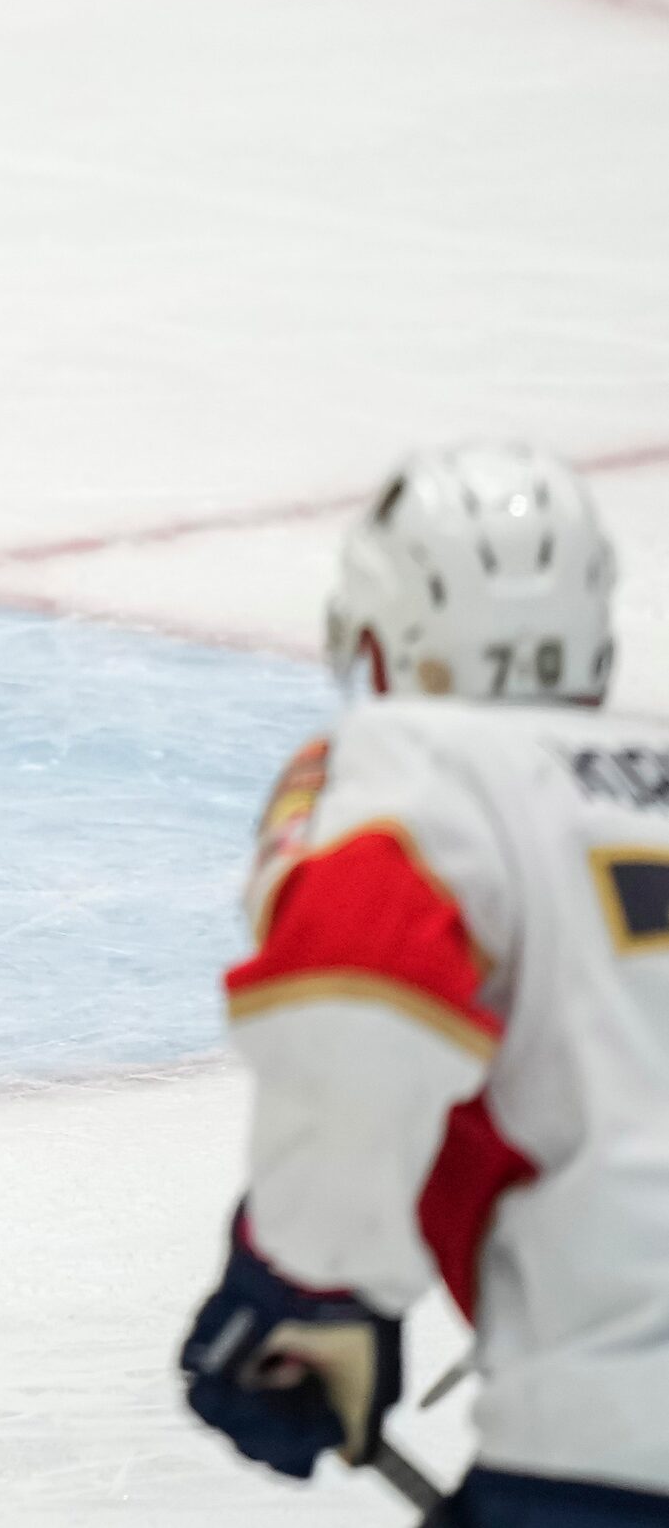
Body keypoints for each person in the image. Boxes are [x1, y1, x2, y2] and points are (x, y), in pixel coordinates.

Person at [178, 443, 669, 1524]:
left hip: (613, 1436)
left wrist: (309, 1290)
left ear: (377, 636)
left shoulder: (420, 769)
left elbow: (357, 1010)